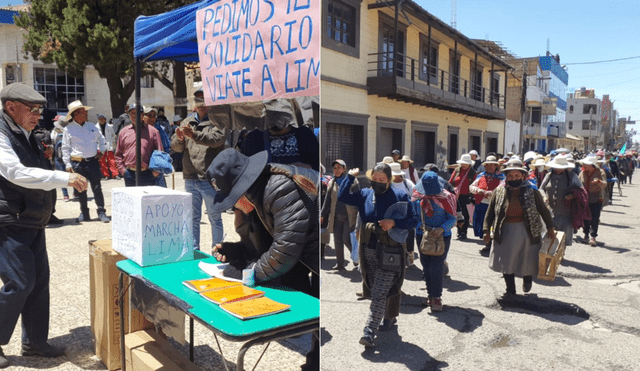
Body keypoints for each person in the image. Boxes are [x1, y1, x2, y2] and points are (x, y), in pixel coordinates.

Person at [205, 149, 319, 370]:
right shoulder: (259, 193)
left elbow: (284, 252)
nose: (232, 207)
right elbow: (264, 247)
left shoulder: (279, 188)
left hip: (318, 259)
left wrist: (245, 274)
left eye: (232, 200)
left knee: (318, 327)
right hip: (306, 257)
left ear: (243, 189)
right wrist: (236, 251)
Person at [0, 83, 88, 368]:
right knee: (20, 283)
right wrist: (64, 179)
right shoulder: (1, 134)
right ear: (10, 106)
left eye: (39, 110)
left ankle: (35, 342)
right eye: (31, 109)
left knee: (39, 283)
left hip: (34, 218)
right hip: (9, 221)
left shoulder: (30, 134)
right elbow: (15, 173)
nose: (38, 115)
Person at [338, 163, 417, 348]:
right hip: (368, 250)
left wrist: (394, 223)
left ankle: (369, 331)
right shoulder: (366, 194)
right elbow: (343, 196)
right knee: (376, 289)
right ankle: (389, 316)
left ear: (389, 180)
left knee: (380, 291)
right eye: (376, 178)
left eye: (382, 179)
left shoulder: (400, 196)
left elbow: (413, 220)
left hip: (390, 250)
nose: (378, 181)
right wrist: (349, 177)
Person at [483, 159, 555, 297]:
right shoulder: (499, 191)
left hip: (527, 230)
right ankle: (510, 289)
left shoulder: (532, 191)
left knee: (527, 257)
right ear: (506, 177)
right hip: (505, 230)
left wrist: (550, 228)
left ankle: (527, 279)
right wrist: (486, 230)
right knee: (506, 260)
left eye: (517, 176)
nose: (513, 178)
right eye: (510, 176)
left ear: (523, 176)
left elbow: (543, 210)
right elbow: (490, 212)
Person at [171, 92, 226, 250]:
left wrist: (194, 135)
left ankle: (217, 251)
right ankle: (194, 251)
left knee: (214, 217)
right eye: (198, 100)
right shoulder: (187, 122)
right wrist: (180, 139)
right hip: (190, 177)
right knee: (192, 218)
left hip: (209, 178)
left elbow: (217, 140)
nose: (201, 103)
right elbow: (175, 146)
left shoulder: (218, 120)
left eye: (205, 100)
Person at [413, 171, 457, 312]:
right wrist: (420, 225)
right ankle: (430, 296)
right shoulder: (416, 197)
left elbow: (453, 219)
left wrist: (442, 228)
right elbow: (413, 216)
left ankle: (437, 297)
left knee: (436, 267)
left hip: (442, 237)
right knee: (425, 266)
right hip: (422, 235)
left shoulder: (448, 197)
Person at [61, 100, 110, 223]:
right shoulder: (68, 129)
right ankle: (84, 213)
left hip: (93, 161)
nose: (85, 114)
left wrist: (102, 152)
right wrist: (67, 164)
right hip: (78, 163)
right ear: (75, 115)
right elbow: (65, 148)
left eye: (85, 112)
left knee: (97, 188)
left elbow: (102, 139)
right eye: (82, 112)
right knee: (81, 190)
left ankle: (101, 212)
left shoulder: (92, 126)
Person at [240, 99, 319, 171]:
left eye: (280, 112)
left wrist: (302, 168)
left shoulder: (305, 135)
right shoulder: (252, 139)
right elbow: (243, 171)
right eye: (271, 113)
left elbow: (317, 168)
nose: (275, 117)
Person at [321, 159, 359, 270]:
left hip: (349, 216)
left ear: (344, 169)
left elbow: (358, 198)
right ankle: (340, 263)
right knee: (337, 240)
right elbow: (327, 201)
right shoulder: (331, 183)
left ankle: (356, 257)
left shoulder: (353, 181)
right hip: (336, 217)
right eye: (335, 168)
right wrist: (322, 214)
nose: (337, 170)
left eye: (339, 167)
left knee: (346, 238)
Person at [541, 155, 586, 247]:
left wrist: (573, 195)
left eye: (560, 167)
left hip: (566, 213)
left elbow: (582, 191)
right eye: (556, 167)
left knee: (563, 236)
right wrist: (544, 197)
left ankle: (560, 254)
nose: (557, 169)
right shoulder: (548, 176)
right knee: (549, 236)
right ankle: (551, 256)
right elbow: (541, 189)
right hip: (550, 212)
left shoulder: (572, 176)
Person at [114, 104, 164, 186]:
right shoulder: (123, 132)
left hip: (148, 173)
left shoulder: (153, 132)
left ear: (142, 115)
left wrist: (156, 171)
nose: (134, 116)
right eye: (132, 113)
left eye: (137, 113)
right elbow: (118, 153)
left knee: (147, 198)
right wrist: (122, 170)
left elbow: (160, 152)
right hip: (129, 174)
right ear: (129, 115)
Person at [469, 155, 504, 254]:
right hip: (481, 204)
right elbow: (471, 187)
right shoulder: (481, 176)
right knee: (482, 224)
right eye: (487, 165)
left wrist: (492, 192)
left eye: (491, 165)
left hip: (494, 205)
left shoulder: (502, 177)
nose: (489, 167)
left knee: (492, 224)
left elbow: (503, 188)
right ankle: (487, 244)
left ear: (496, 166)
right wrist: (478, 190)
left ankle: (492, 244)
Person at [389, 162, 416, 266]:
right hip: (393, 215)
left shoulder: (407, 183)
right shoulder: (388, 184)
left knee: (409, 235)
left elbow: (416, 194)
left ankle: (409, 254)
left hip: (407, 215)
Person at [579, 156, 607, 246]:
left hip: (597, 198)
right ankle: (586, 234)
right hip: (585, 198)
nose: (583, 165)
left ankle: (593, 237)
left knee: (594, 218)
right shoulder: (582, 173)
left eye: (585, 164)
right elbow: (578, 183)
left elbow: (604, 184)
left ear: (591, 165)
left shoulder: (600, 172)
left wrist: (599, 182)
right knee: (585, 217)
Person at [449, 153, 476, 239]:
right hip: (457, 196)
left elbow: (475, 184)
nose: (464, 165)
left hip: (467, 196)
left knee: (466, 215)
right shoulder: (457, 170)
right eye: (463, 163)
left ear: (469, 164)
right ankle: (459, 231)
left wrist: (473, 197)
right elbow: (450, 181)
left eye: (466, 163)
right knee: (458, 214)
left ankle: (464, 231)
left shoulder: (472, 173)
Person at [96, 114, 119, 180]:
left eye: (103, 119)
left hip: (109, 146)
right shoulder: (95, 127)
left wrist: (113, 145)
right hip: (100, 146)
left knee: (112, 161)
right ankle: (106, 175)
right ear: (98, 120)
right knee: (102, 162)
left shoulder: (110, 126)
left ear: (105, 119)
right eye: (100, 119)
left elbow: (113, 136)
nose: (102, 120)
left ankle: (115, 174)